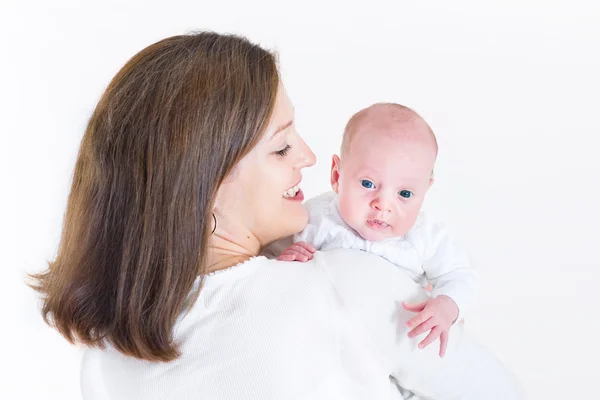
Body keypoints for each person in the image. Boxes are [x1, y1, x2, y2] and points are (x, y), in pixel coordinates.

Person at [29, 32, 526, 399]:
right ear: (209, 185)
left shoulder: (107, 352)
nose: (308, 157)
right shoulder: (345, 286)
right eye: (282, 145)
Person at [276, 103, 477, 357]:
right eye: (368, 184)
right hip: (328, 344)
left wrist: (446, 306)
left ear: (425, 192)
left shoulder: (425, 236)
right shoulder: (315, 218)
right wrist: (285, 260)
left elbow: (460, 276)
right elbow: (272, 266)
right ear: (337, 176)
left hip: (400, 344)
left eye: (404, 193)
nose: (383, 204)